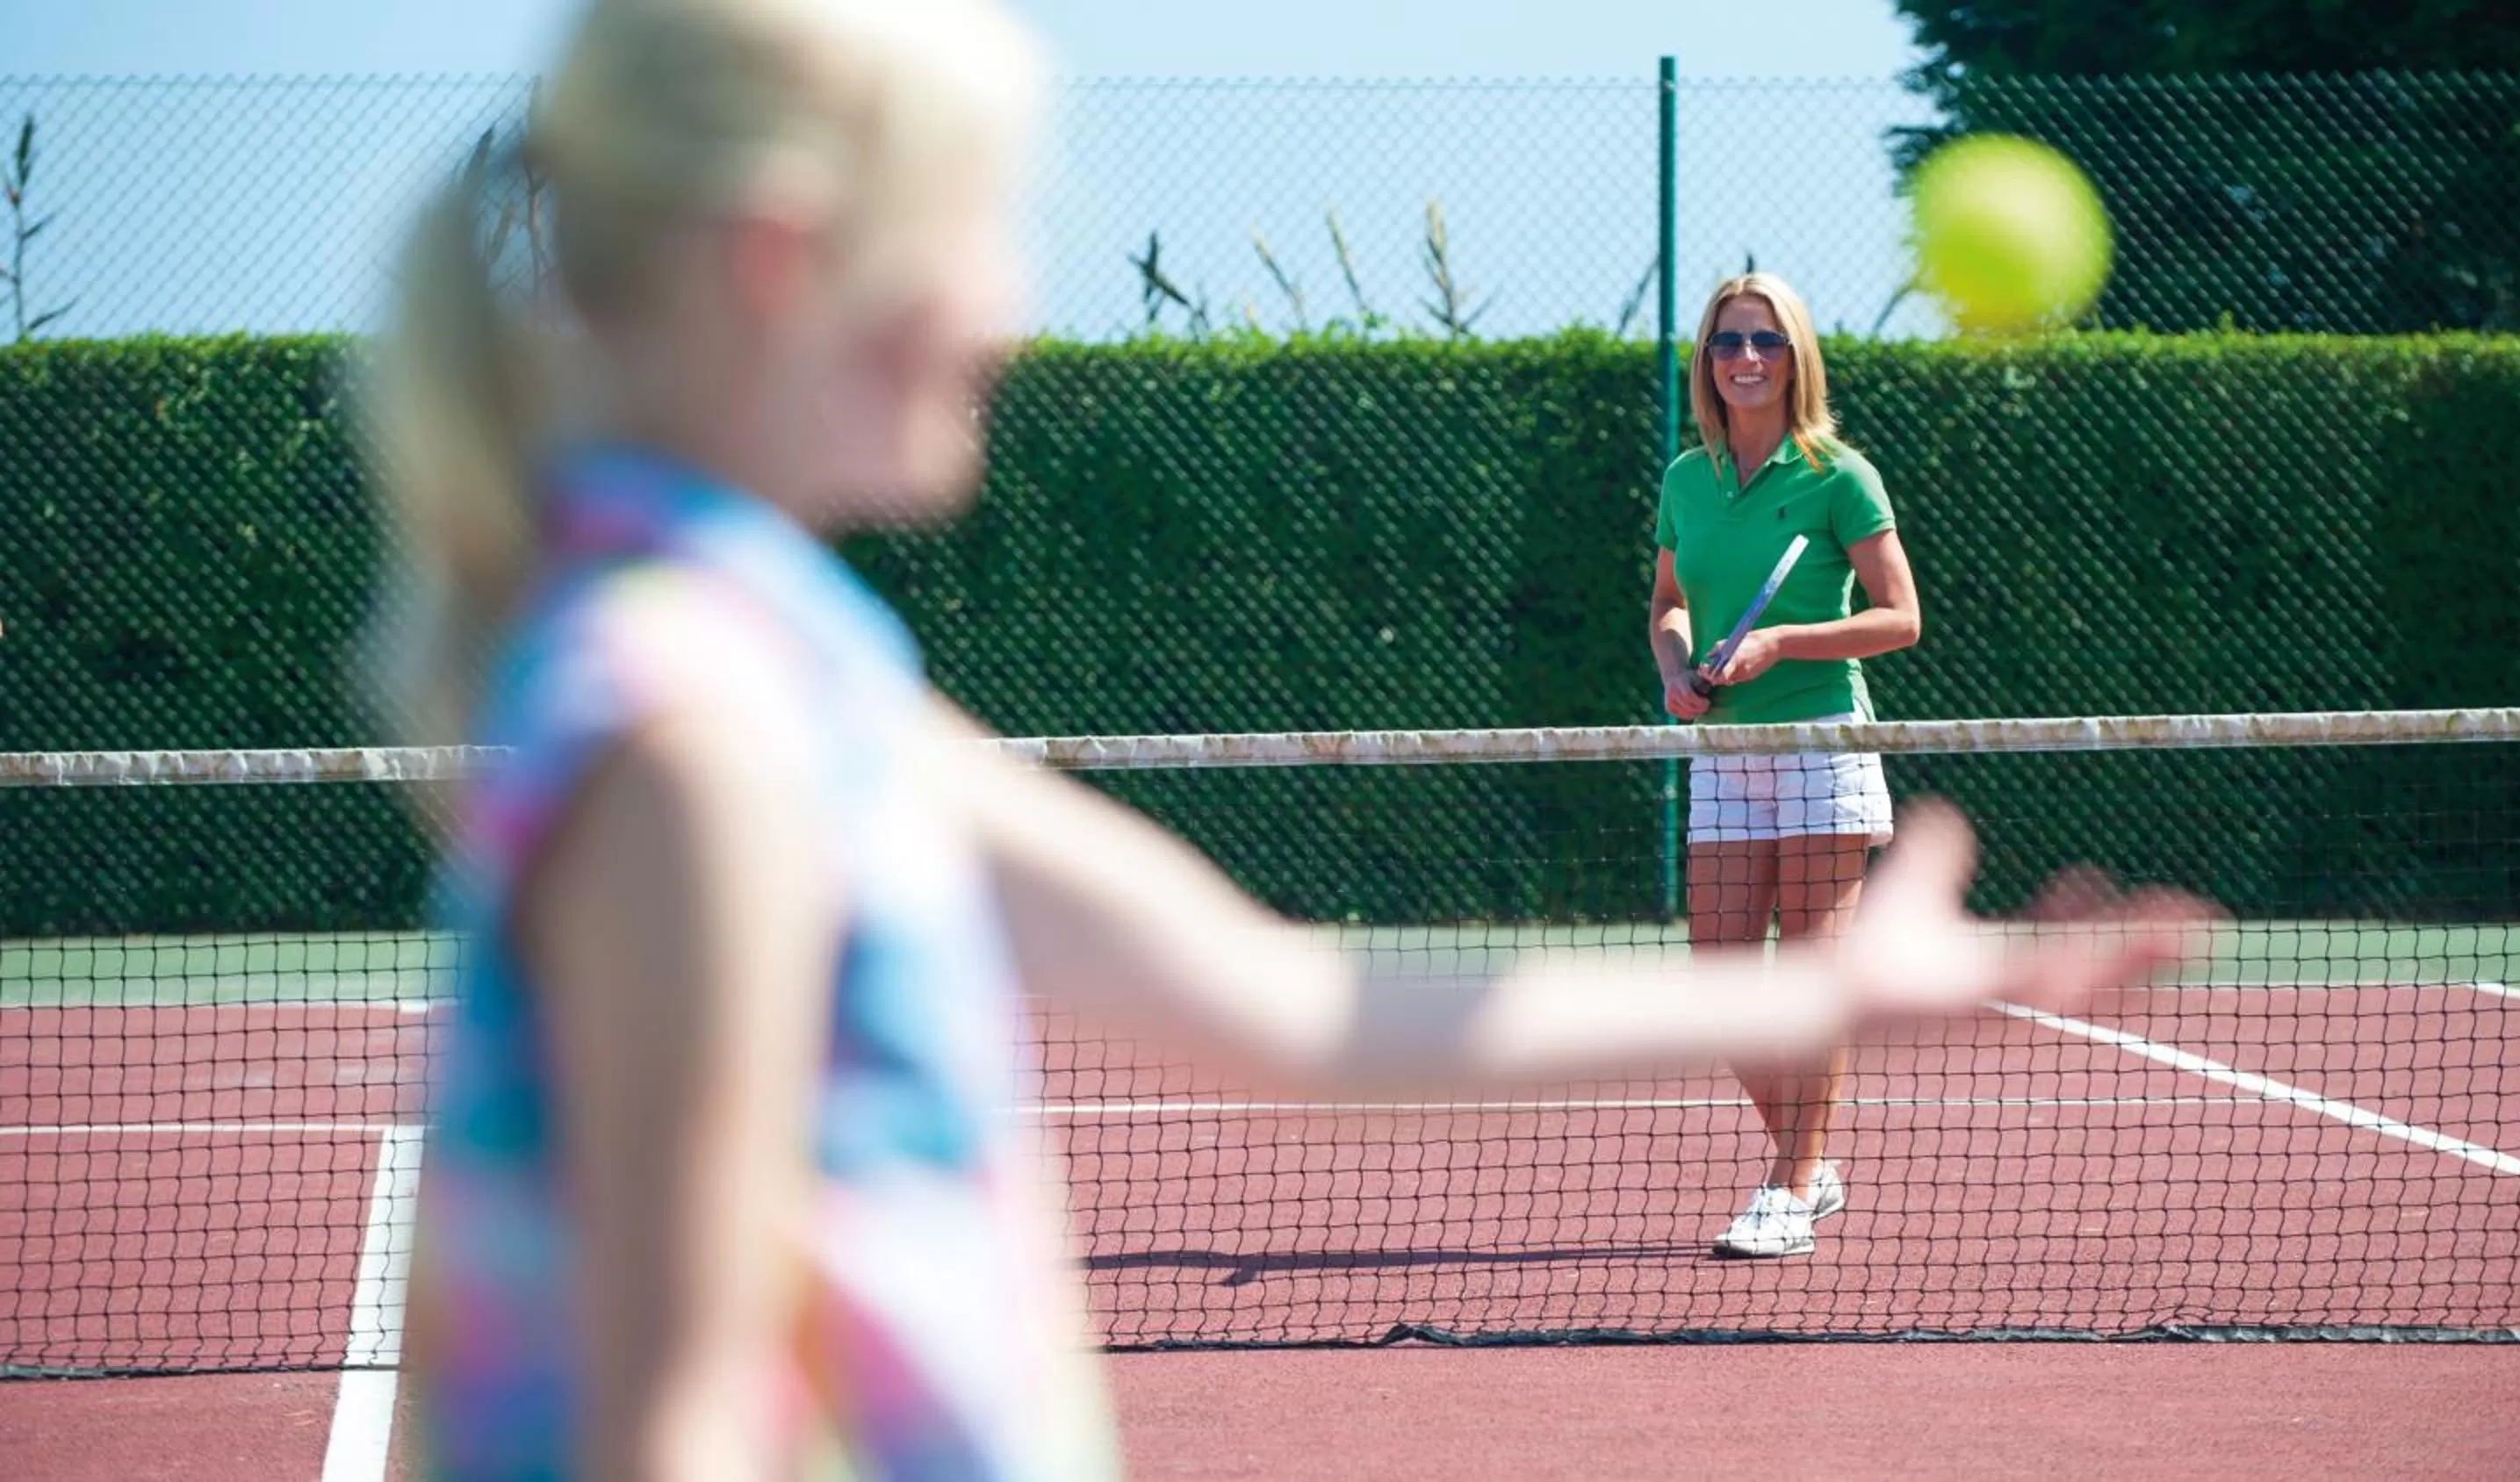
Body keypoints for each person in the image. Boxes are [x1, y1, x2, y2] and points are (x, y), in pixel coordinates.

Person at [371, 4, 2206, 1476]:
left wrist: (1836, 992)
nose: (1012, 304)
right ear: (786, 263)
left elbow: (1292, 1007)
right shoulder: (695, 737)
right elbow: (670, 1424)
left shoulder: (781, 674)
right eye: (979, 231)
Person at [1650, 273, 1926, 1260]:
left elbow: (1900, 618)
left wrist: (1781, 643)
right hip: (1726, 751)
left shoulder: (1841, 475)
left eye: (1766, 340)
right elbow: (1669, 602)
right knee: (1723, 984)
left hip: (1821, 741)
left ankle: (1790, 1187)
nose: (1747, 358)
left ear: (1796, 355)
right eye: (1728, 342)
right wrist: (1677, 667)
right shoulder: (1687, 479)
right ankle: (1806, 1162)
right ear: (1707, 361)